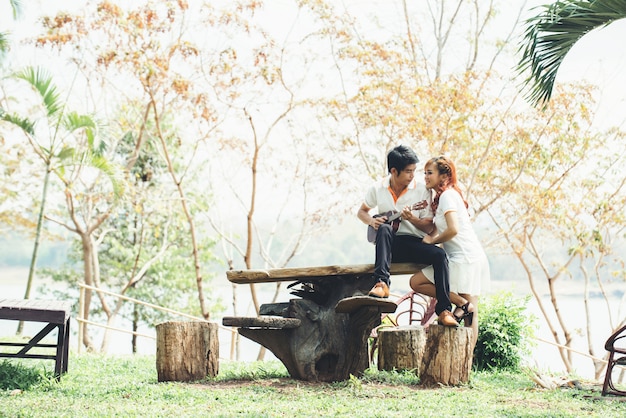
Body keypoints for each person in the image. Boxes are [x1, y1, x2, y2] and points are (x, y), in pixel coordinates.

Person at [357, 145, 458, 327]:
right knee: (385, 229)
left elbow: (428, 227)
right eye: (409, 172)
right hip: (388, 247)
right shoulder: (377, 188)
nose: (413, 176)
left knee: (440, 255)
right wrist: (372, 222)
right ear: (394, 171)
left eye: (414, 171)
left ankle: (444, 310)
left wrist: (411, 219)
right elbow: (362, 212)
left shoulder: (421, 190)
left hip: (413, 243)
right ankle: (381, 284)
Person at [409, 156, 490, 345]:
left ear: (443, 176)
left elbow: (453, 230)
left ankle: (462, 306)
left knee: (416, 282)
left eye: (430, 173)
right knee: (471, 311)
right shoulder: (444, 197)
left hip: (465, 257)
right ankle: (466, 362)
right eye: (425, 173)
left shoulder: (447, 196)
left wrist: (432, 242)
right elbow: (433, 231)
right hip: (467, 255)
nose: (426, 177)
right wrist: (413, 222)